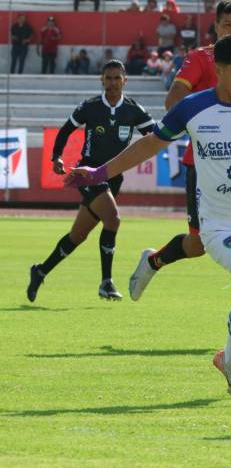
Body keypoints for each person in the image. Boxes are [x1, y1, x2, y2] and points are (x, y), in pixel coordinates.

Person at [65, 35, 231, 406]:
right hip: (220, 227)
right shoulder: (192, 108)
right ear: (220, 71)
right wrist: (98, 173)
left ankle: (229, 361)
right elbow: (149, 145)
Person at [126, 0, 231, 303]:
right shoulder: (202, 58)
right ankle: (154, 261)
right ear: (217, 27)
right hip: (204, 165)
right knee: (197, 245)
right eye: (229, 25)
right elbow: (174, 100)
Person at [27, 60, 154, 303]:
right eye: (108, 78)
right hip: (88, 173)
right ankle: (106, 282)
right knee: (113, 219)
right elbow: (65, 130)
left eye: (117, 78)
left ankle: (40, 270)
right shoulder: (91, 107)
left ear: (125, 80)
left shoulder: (133, 109)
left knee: (78, 235)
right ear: (102, 80)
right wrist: (57, 157)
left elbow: (154, 136)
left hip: (114, 177)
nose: (113, 83)